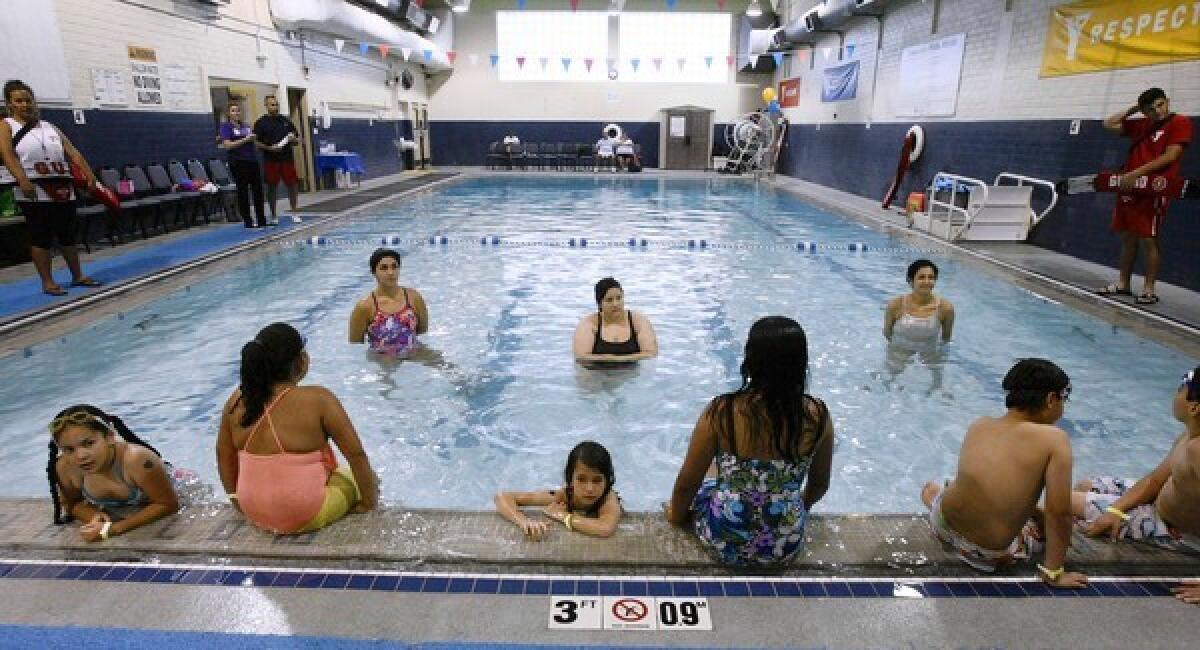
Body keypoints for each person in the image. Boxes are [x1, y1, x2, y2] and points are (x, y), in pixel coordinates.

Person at [665, 317, 834, 568]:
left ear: (750, 360)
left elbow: (687, 482)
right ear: (801, 363)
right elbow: (820, 485)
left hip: (726, 538)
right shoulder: (818, 415)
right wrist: (795, 506)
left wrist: (677, 518)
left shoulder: (722, 411)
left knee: (712, 475)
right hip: (784, 544)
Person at [920, 359, 1087, 587]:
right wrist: (1054, 572)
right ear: (1050, 399)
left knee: (940, 486)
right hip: (985, 553)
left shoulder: (980, 424)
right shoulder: (1054, 440)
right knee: (1052, 528)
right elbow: (1059, 513)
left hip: (942, 525)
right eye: (1063, 398)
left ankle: (933, 497)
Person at [216, 323, 379, 534]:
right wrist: (368, 503)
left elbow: (223, 454)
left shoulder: (237, 401)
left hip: (252, 511)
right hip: (304, 513)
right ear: (300, 362)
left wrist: (235, 499)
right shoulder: (319, 399)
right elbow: (357, 455)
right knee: (368, 478)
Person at [1072, 366, 1199, 556]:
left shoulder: (1197, 450)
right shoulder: (1188, 436)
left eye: (1181, 388)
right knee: (1085, 485)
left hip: (1169, 528)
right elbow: (1155, 480)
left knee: (1063, 502)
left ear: (1194, 407)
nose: (1176, 393)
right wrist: (1116, 510)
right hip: (1157, 502)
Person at [0, 79, 103, 296]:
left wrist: (89, 174)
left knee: (67, 233)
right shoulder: (6, 125)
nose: (25, 105)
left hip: (62, 185)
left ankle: (77, 275)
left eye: (28, 100)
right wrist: (22, 180)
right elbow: (7, 155)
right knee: (41, 235)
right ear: (9, 104)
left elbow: (72, 152)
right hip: (33, 187)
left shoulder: (49, 126)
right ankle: (47, 282)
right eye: (18, 101)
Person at [1095, 88, 1192, 306]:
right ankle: (1123, 284)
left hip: (1154, 188)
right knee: (1128, 237)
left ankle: (1149, 290)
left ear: (1167, 101)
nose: (1157, 111)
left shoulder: (1180, 122)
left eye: (1160, 105)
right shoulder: (1142, 124)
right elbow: (1108, 124)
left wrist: (1135, 174)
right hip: (1130, 188)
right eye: (1150, 109)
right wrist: (1133, 109)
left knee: (1148, 238)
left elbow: (1171, 155)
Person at [47, 404, 180, 542]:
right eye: (69, 449)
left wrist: (113, 529)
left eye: (89, 443)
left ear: (110, 436)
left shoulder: (137, 460)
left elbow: (168, 504)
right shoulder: (66, 467)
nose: (80, 456)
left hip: (175, 484)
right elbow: (71, 504)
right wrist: (94, 516)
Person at [494, 441, 622, 540]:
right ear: (570, 479)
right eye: (581, 480)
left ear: (607, 481)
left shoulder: (608, 498)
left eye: (597, 480)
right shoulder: (565, 496)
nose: (590, 488)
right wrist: (524, 521)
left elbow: (605, 528)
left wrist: (562, 516)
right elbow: (502, 497)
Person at [882, 259, 955, 391]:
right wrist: (899, 349)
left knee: (935, 384)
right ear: (910, 281)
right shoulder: (896, 305)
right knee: (888, 379)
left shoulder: (945, 308)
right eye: (921, 277)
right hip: (900, 349)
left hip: (930, 351)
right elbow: (887, 332)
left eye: (931, 277)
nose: (927, 282)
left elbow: (946, 338)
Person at [348, 248, 430, 358]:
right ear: (374, 272)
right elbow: (355, 346)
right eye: (384, 268)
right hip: (382, 359)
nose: (391, 272)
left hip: (413, 351)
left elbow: (422, 331)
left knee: (448, 368)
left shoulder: (414, 297)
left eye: (394, 266)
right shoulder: (365, 306)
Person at [572, 277, 658, 364]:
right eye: (609, 300)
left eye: (619, 298)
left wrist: (618, 359)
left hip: (632, 374)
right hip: (598, 374)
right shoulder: (589, 324)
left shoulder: (638, 321)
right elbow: (581, 357)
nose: (615, 304)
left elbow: (651, 353)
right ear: (600, 303)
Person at [252, 95, 302, 226]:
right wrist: (269, 148)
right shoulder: (261, 123)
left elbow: (296, 140)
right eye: (272, 105)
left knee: (292, 185)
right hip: (271, 160)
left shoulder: (286, 121)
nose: (275, 107)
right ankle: (274, 214)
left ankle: (295, 211)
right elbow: (256, 143)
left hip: (286, 159)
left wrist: (293, 140)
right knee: (272, 187)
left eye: (276, 104)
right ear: (266, 106)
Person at [219, 102, 266, 229]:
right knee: (243, 192)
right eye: (233, 111)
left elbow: (254, 142)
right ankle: (248, 221)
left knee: (258, 191)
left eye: (238, 110)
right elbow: (227, 145)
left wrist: (256, 140)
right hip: (238, 162)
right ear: (228, 113)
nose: (236, 113)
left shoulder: (246, 126)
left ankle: (261, 219)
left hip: (252, 161)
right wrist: (245, 140)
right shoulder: (226, 127)